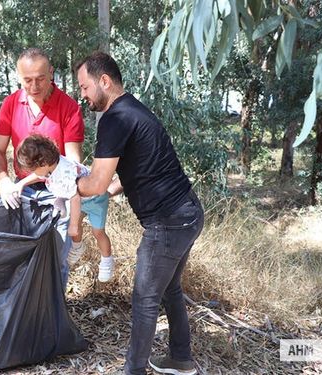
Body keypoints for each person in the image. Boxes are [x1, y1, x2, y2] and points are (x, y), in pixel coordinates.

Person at [75, 51, 204, 375]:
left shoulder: (114, 119)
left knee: (145, 298)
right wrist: (112, 186)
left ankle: (133, 370)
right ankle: (180, 358)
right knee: (170, 288)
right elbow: (138, 169)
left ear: (104, 81)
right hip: (187, 213)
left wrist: (70, 183)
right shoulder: (133, 109)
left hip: (168, 222)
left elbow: (97, 182)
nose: (83, 94)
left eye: (85, 86)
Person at [0, 48, 85, 287]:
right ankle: (27, 315)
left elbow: (73, 162)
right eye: (27, 80)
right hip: (24, 193)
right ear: (19, 78)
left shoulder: (69, 107)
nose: (34, 86)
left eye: (41, 78)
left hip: (59, 191)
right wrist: (4, 182)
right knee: (23, 260)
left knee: (56, 261)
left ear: (51, 73)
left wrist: (69, 201)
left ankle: (53, 317)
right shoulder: (11, 104)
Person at [14, 134, 121, 282]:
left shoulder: (64, 171)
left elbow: (74, 197)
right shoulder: (51, 166)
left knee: (97, 232)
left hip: (95, 200)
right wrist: (21, 184)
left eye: (33, 169)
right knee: (75, 231)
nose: (33, 173)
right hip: (78, 199)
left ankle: (107, 260)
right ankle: (78, 246)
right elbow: (41, 177)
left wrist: (73, 225)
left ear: (43, 163)